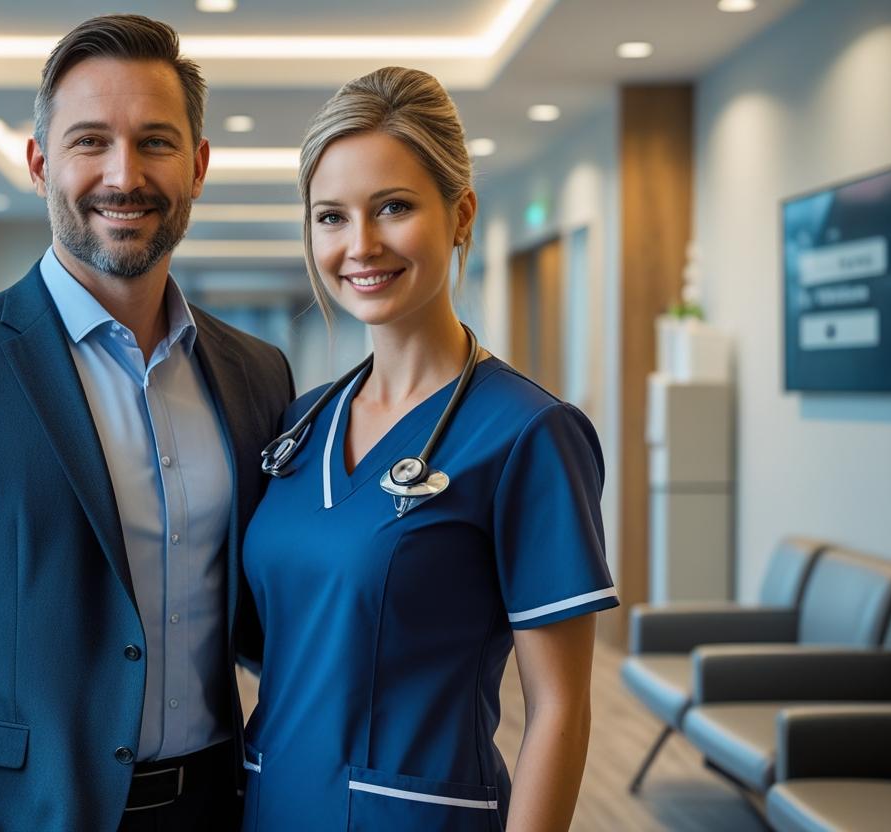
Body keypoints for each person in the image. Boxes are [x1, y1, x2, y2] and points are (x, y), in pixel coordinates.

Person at [0, 14, 292, 831]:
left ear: (200, 166)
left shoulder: (257, 374)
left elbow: (265, 612)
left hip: (219, 808)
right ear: (39, 165)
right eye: (89, 141)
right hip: (14, 815)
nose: (123, 173)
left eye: (156, 142)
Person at [240, 66, 616, 831]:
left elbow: (560, 707)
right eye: (331, 217)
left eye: (395, 207)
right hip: (269, 804)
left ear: (460, 214)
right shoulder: (299, 427)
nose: (361, 245)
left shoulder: (526, 435)